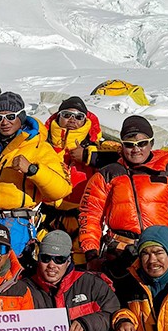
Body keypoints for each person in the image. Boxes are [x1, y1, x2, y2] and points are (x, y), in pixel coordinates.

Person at [79, 115, 168, 289]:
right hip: (119, 253)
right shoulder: (107, 174)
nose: (136, 149)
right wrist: (91, 253)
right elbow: (90, 214)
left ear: (151, 143)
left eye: (142, 143)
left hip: (159, 251)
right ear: (122, 145)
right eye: (129, 144)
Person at [0, 91, 71, 254]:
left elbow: (61, 190)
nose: (4, 122)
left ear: (22, 116)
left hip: (17, 226)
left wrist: (32, 170)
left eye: (10, 116)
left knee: (8, 269)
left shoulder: (38, 146)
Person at [40, 96, 118, 263]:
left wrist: (89, 156)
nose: (72, 120)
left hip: (81, 219)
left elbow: (124, 157)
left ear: (85, 120)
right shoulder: (43, 144)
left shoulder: (96, 146)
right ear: (58, 117)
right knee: (46, 264)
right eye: (66, 115)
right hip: (48, 217)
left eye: (78, 116)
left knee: (80, 266)